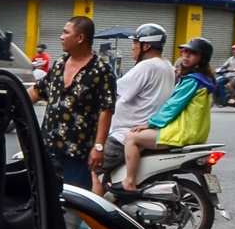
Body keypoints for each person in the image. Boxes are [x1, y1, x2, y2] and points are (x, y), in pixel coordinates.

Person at [27, 15, 117, 190]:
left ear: (80, 38)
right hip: (48, 148)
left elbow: (106, 110)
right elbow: (39, 90)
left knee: (74, 203)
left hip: (78, 153)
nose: (61, 36)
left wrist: (98, 147)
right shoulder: (60, 63)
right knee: (43, 196)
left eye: (66, 32)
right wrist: (12, 100)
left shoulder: (101, 70)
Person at [121, 37, 216, 189]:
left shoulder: (192, 81)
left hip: (183, 133)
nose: (186, 56)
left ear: (202, 58)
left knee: (131, 137)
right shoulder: (203, 79)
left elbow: (172, 106)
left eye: (192, 54)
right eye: (185, 52)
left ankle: (129, 181)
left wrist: (150, 123)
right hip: (196, 133)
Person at [105, 24, 176, 183]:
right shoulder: (167, 65)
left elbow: (114, 90)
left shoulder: (147, 66)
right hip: (146, 131)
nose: (132, 47)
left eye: (135, 43)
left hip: (124, 134)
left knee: (89, 165)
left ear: (147, 45)